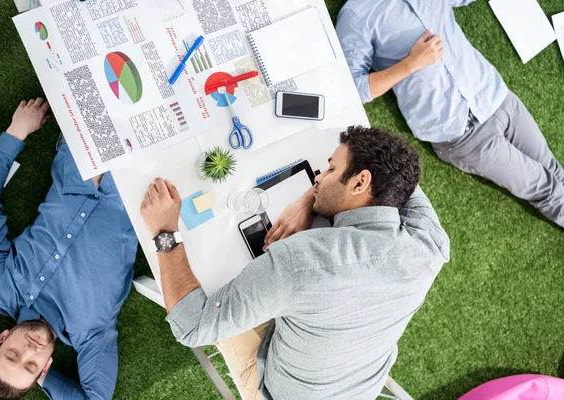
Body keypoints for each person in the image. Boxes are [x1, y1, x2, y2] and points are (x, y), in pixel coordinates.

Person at [140, 126, 450, 399]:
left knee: (215, 277)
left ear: (359, 183)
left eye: (329, 170)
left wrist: (165, 230)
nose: (318, 176)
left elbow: (194, 326)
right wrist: (311, 199)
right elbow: (401, 175)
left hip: (281, 390)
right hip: (355, 385)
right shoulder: (429, 244)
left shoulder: (301, 261)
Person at [0, 98, 138, 399]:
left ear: (1, 339)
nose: (29, 350)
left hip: (84, 148)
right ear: (44, 367)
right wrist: (47, 380)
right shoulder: (90, 334)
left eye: (13, 354)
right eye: (32, 365)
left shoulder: (0, 287)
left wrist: (16, 131)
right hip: (143, 181)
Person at [336, 0, 564, 228]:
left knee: (555, 171)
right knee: (547, 189)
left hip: (496, 97)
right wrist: (411, 63)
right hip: (464, 135)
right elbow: (353, 88)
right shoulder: (357, 14)